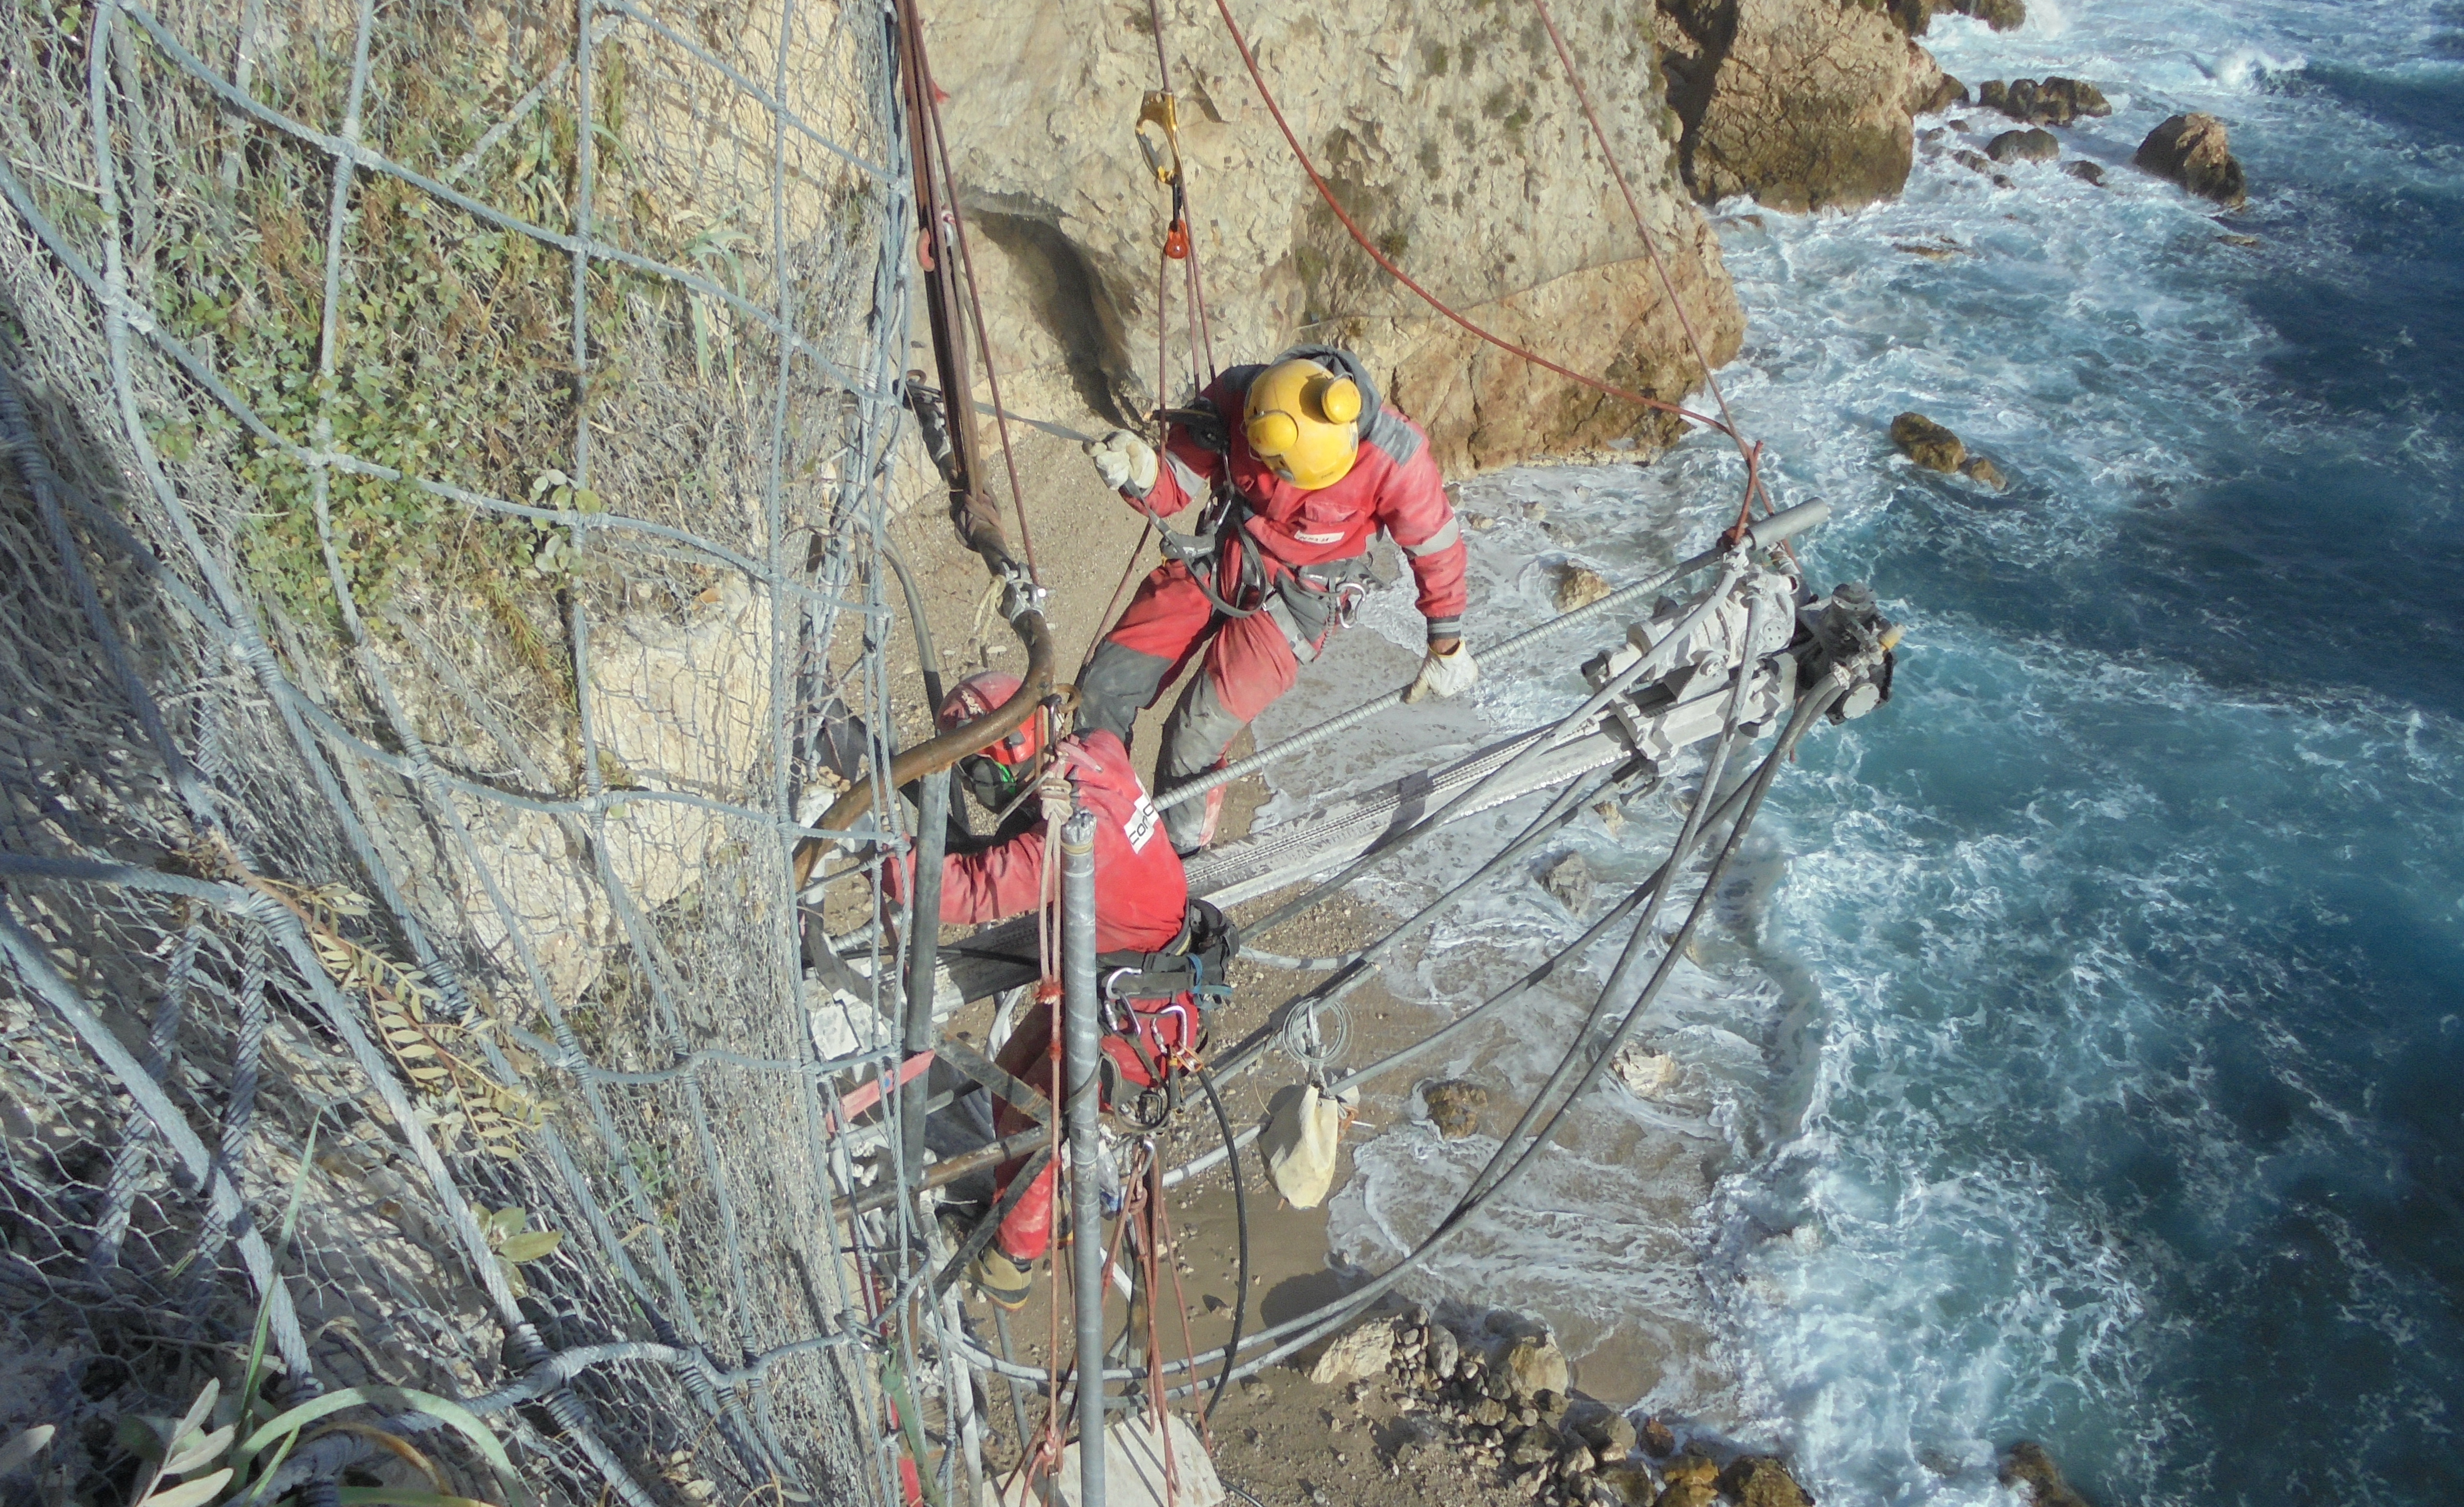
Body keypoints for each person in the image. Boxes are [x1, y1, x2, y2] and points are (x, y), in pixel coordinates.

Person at [890, 672, 1221, 1309]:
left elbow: (966, 891)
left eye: (971, 768)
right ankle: (1012, 1207)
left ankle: (1013, 1262)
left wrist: (889, 861)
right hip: (1120, 984)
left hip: (1133, 1018)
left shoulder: (1068, 838)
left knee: (1036, 1123)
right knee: (1010, 1080)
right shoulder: (1095, 752)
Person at [1076, 344, 1479, 855]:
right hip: (1223, 548)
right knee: (1105, 686)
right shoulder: (1238, 399)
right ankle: (1091, 828)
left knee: (1194, 737)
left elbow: (1436, 547)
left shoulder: (1394, 452)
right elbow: (1172, 487)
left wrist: (1446, 641)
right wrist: (1140, 472)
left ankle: (1180, 861)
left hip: (1298, 598)